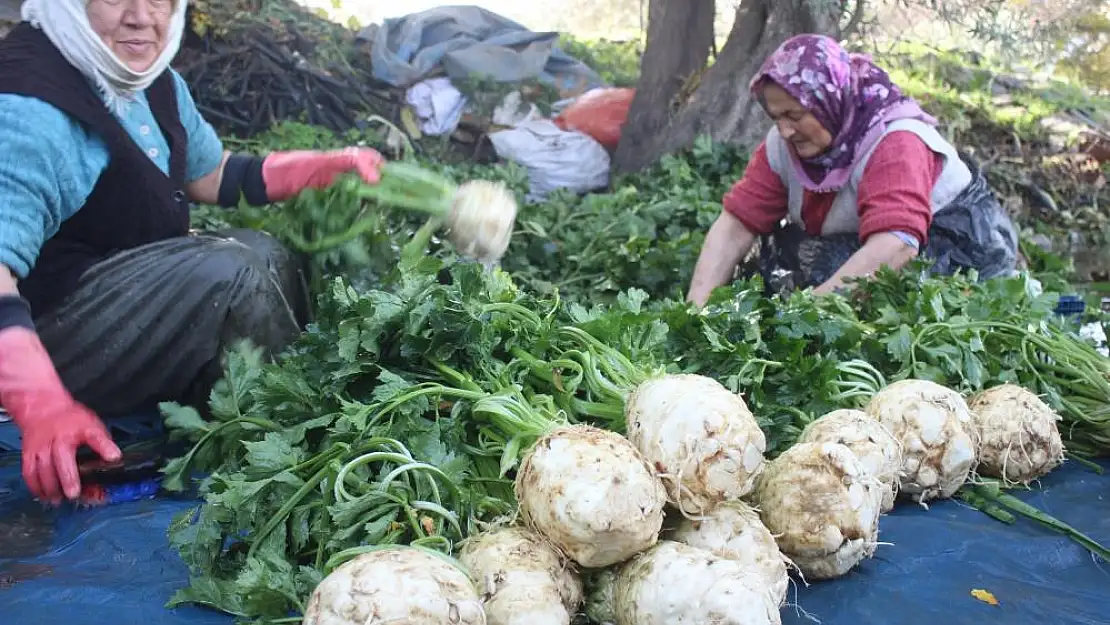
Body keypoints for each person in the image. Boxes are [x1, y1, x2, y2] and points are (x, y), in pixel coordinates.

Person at [0, 0, 388, 505]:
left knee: (264, 253)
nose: (143, 17)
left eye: (160, 0)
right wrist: (42, 405)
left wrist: (314, 168)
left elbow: (211, 174)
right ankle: (292, 448)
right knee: (233, 275)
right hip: (49, 335)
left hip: (114, 299)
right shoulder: (32, 108)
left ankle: (261, 415)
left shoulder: (145, 79)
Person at [686, 34, 1018, 306]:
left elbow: (896, 244)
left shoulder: (895, 141)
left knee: (831, 272)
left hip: (955, 250)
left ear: (828, 102)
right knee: (778, 259)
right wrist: (696, 310)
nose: (785, 130)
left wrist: (810, 313)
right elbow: (736, 225)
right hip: (867, 240)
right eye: (776, 117)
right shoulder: (782, 145)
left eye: (795, 115)